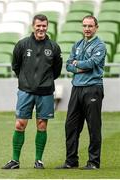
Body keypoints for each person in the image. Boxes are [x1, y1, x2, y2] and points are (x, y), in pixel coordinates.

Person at [2, 14, 62, 169]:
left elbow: (56, 70)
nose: (41, 28)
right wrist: (25, 80)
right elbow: (16, 66)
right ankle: (15, 160)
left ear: (47, 27)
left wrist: (45, 82)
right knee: (20, 124)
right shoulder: (22, 44)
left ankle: (38, 160)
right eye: (38, 25)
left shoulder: (54, 47)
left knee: (42, 125)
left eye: (44, 26)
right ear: (33, 26)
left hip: (46, 92)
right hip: (25, 91)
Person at [56, 15, 106, 170]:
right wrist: (79, 66)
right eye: (84, 26)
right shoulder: (77, 44)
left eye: (90, 26)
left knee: (93, 126)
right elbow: (69, 65)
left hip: (93, 88)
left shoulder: (100, 46)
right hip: (76, 88)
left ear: (96, 27)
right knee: (70, 126)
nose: (87, 29)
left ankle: (93, 162)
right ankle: (71, 161)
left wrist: (79, 65)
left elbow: (91, 64)